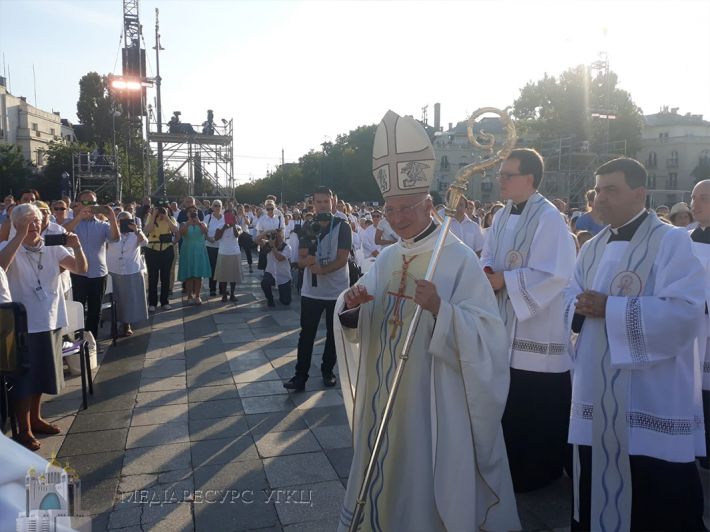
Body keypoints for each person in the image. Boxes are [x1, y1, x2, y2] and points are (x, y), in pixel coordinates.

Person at [335, 110, 519, 532]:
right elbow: (355, 316)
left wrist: (442, 311)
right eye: (389, 209)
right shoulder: (386, 256)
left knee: (419, 474)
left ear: (429, 206)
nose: (396, 218)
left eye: (405, 209)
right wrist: (351, 306)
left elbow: (489, 338)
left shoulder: (456, 259)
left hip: (429, 397)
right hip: (385, 392)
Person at [562, 158, 706, 532]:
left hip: (650, 392)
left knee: (655, 496)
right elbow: (570, 297)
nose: (600, 199)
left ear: (639, 194)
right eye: (597, 190)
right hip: (596, 389)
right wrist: (576, 308)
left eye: (612, 190)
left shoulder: (672, 241)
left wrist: (611, 308)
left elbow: (686, 313)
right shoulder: (591, 247)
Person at [481, 148, 576, 493]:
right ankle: (509, 467)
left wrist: (504, 280)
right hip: (504, 320)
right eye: (501, 175)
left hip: (537, 325)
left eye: (508, 175)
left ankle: (540, 468)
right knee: (511, 400)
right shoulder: (501, 215)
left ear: (529, 179)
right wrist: (488, 272)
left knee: (535, 402)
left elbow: (554, 273)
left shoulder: (549, 218)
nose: (501, 181)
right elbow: (488, 255)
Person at [0, 204, 87, 450]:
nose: (34, 225)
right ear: (15, 223)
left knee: (40, 375)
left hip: (49, 319)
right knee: (24, 379)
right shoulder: (8, 247)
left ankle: (36, 419)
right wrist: (18, 235)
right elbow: (1, 266)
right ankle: (24, 428)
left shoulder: (51, 246)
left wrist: (77, 247)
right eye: (27, 221)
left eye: (37, 220)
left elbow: (80, 268)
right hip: (22, 324)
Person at [283, 186, 352, 391]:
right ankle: (300, 376)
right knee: (307, 334)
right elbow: (301, 257)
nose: (322, 205)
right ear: (312, 203)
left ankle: (327, 370)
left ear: (333, 201)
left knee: (333, 333)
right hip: (311, 291)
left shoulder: (342, 225)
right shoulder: (307, 225)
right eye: (318, 202)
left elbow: (343, 258)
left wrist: (323, 269)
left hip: (336, 289)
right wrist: (306, 262)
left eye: (326, 201)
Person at [62, 190, 120, 341]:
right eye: (86, 203)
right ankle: (78, 340)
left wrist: (112, 218)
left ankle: (91, 341)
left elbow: (115, 238)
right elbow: (62, 233)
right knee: (77, 308)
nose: (90, 206)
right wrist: (79, 216)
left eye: (93, 203)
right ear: (78, 203)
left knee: (95, 310)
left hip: (98, 272)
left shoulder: (102, 225)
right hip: (77, 272)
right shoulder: (73, 223)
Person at [690, 180, 710, 470]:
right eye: (693, 197)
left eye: (703, 198)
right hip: (689, 331)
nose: (695, 203)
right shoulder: (680, 238)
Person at [107, 212, 149, 336]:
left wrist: (136, 231)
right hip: (113, 269)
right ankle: (113, 324)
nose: (125, 222)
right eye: (122, 220)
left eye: (128, 220)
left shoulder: (136, 233)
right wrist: (115, 225)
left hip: (131, 269)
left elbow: (144, 242)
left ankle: (127, 324)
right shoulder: (110, 232)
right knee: (113, 298)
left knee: (129, 299)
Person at [144, 201, 179, 311]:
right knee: (153, 277)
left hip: (166, 249)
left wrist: (167, 217)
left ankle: (165, 301)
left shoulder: (171, 218)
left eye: (164, 208)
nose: (161, 211)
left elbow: (175, 230)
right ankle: (152, 303)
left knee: (165, 276)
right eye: (159, 209)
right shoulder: (150, 217)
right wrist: (154, 216)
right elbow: (147, 230)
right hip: (152, 249)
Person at [179, 205, 212, 305]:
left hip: (199, 251)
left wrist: (198, 224)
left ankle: (197, 296)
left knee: (198, 275)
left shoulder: (202, 223)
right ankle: (189, 296)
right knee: (189, 275)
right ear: (187, 214)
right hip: (188, 251)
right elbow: (182, 233)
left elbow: (205, 232)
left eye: (194, 211)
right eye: (190, 211)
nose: (192, 213)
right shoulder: (183, 224)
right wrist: (188, 224)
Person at [213, 209, 243, 302]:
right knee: (223, 276)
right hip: (223, 252)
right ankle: (224, 293)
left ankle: (233, 294)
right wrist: (224, 228)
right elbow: (216, 237)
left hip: (234, 252)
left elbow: (237, 235)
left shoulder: (238, 227)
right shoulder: (220, 226)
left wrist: (233, 225)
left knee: (233, 275)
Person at [258, 227, 292, 307]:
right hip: (271, 273)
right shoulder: (268, 244)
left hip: (284, 276)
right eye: (276, 236)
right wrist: (268, 231)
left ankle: (282, 292)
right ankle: (270, 299)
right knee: (264, 283)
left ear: (283, 237)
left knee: (286, 302)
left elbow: (279, 258)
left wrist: (272, 247)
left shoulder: (287, 247)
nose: (278, 238)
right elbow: (256, 240)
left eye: (280, 236)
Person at [204, 200, 225, 296]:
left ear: (222, 207)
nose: (217, 208)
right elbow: (203, 231)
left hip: (223, 246)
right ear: (212, 207)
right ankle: (212, 288)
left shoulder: (225, 218)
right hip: (211, 246)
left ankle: (222, 288)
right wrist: (208, 238)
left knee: (222, 268)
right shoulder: (208, 218)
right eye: (215, 206)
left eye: (219, 206)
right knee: (212, 268)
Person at [255, 200, 282, 275]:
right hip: (265, 239)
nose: (270, 210)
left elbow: (282, 229)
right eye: (268, 209)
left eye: (272, 209)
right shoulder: (262, 219)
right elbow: (260, 232)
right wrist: (268, 240)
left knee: (276, 260)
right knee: (265, 262)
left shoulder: (278, 218)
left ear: (274, 209)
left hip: (276, 240)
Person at [236, 204, 255, 273]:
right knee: (237, 251)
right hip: (238, 235)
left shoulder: (246, 216)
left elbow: (248, 223)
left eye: (242, 208)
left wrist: (244, 216)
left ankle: (250, 265)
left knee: (248, 251)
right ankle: (237, 266)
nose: (241, 210)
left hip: (245, 235)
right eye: (239, 209)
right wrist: (237, 216)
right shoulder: (236, 217)